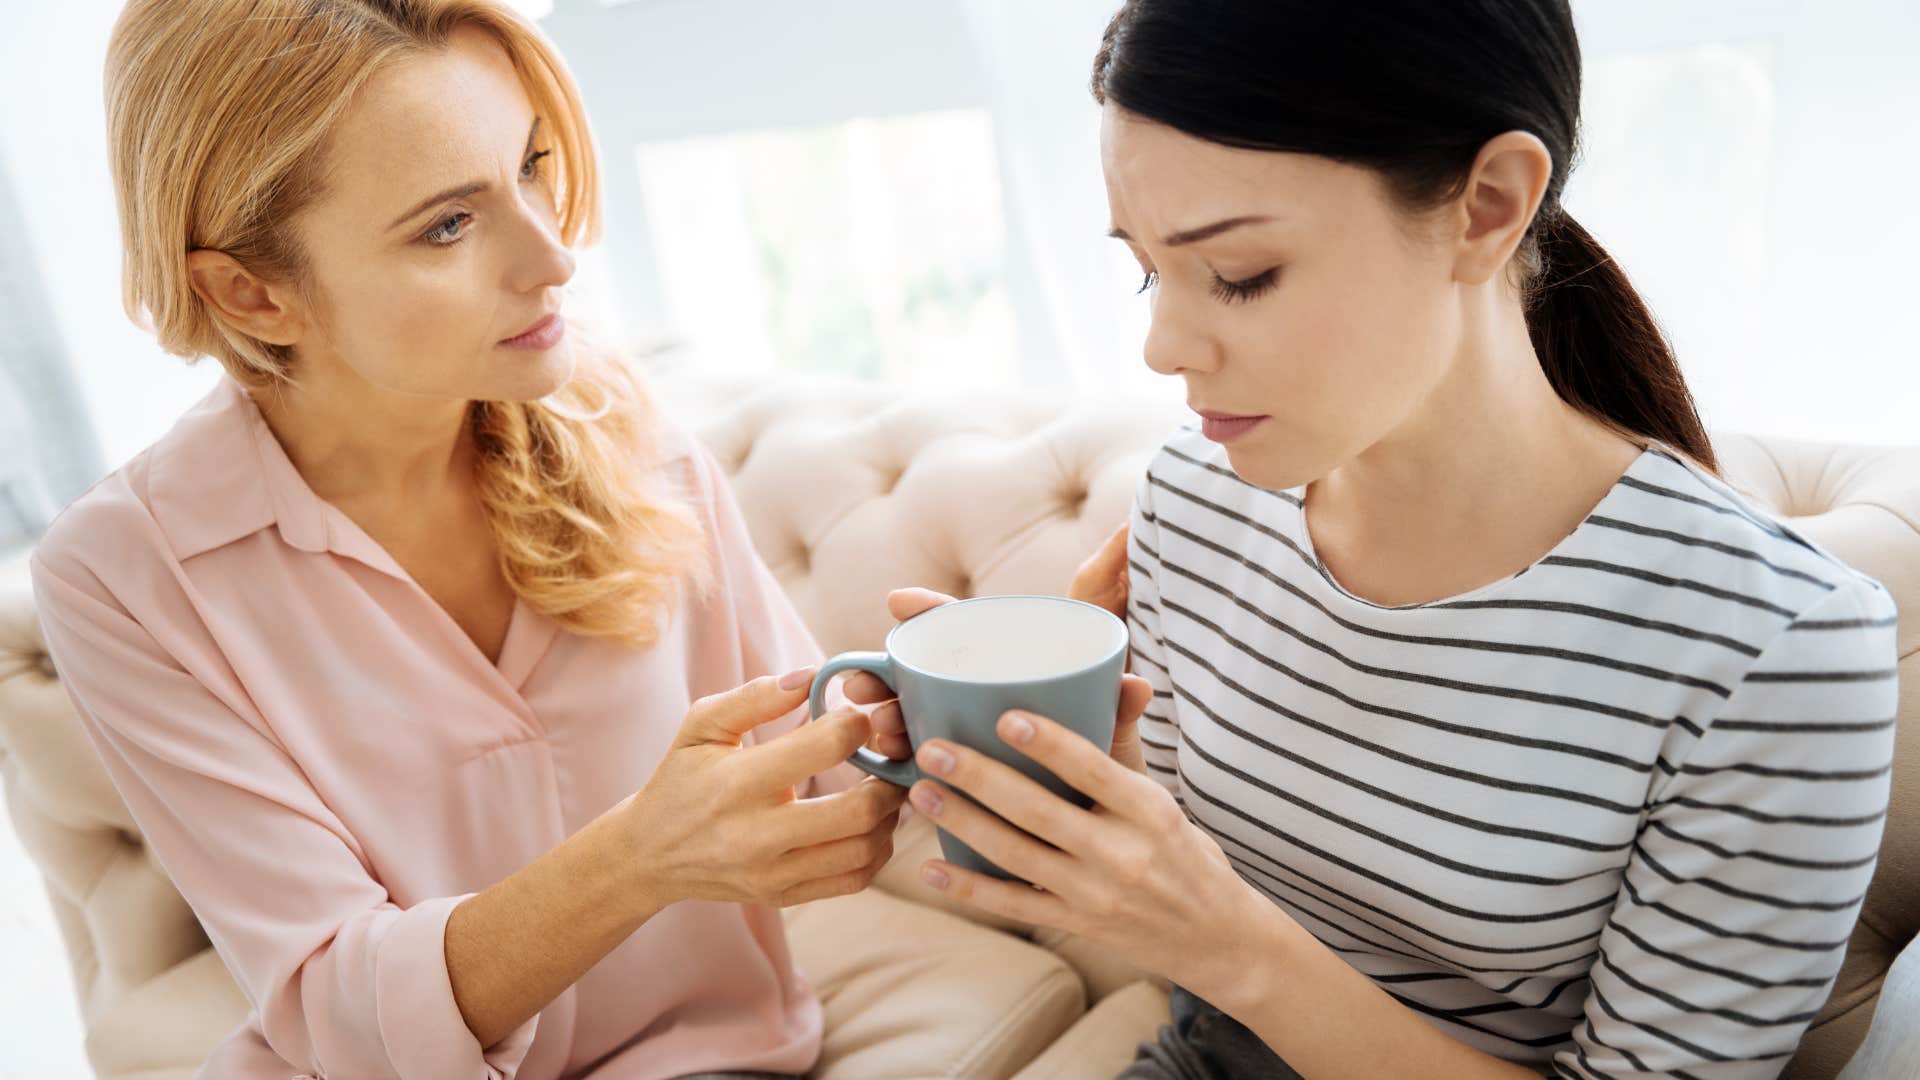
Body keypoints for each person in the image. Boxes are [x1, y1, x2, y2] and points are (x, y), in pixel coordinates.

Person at [28, 1, 1140, 1076]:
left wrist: (991, 717)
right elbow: (336, 1014)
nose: (552, 256)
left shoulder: (628, 429)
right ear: (252, 295)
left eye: (530, 166)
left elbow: (808, 780)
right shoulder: (122, 577)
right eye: (449, 224)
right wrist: (639, 859)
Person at [866, 2, 1901, 1078]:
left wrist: (1225, 942)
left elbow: (1218, 932)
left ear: (1488, 206)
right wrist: (1042, 765)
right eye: (1145, 270)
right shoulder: (1195, 494)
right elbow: (1200, 897)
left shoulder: (1781, 646)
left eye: (1240, 274)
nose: (1163, 347)